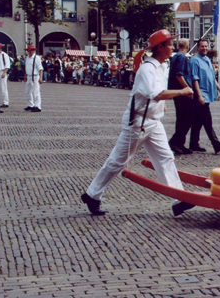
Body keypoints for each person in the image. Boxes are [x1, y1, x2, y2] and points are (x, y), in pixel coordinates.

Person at [81, 29, 194, 217]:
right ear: (160, 48)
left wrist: (163, 105)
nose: (173, 47)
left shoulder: (162, 66)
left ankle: (178, 199)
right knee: (118, 161)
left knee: (166, 158)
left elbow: (160, 91)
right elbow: (156, 93)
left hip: (153, 121)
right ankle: (92, 194)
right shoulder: (147, 68)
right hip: (138, 122)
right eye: (169, 44)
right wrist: (182, 92)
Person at [188, 39, 220, 155]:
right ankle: (216, 144)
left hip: (207, 94)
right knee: (207, 120)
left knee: (198, 121)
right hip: (201, 95)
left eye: (206, 46)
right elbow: (194, 79)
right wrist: (199, 95)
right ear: (198, 48)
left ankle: (194, 144)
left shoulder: (207, 60)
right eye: (202, 46)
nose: (204, 48)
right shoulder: (194, 61)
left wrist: (219, 88)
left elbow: (211, 76)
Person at [168, 38, 195, 155]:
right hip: (181, 93)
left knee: (182, 119)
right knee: (186, 119)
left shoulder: (175, 56)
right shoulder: (182, 57)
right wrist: (187, 89)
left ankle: (180, 143)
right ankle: (175, 142)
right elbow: (179, 75)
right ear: (187, 46)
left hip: (177, 92)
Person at [23, 45, 43, 113]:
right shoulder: (27, 58)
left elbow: (40, 68)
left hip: (35, 76)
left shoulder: (36, 58)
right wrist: (25, 75)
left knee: (36, 91)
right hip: (29, 76)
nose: (30, 52)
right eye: (29, 50)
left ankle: (37, 106)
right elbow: (27, 67)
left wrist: (40, 77)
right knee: (27, 91)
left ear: (34, 50)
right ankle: (30, 104)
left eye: (31, 50)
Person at [0, 44, 10, 108]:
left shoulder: (4, 55)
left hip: (2, 71)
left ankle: (5, 102)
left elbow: (7, 65)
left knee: (3, 87)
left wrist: (4, 72)